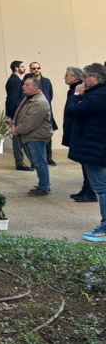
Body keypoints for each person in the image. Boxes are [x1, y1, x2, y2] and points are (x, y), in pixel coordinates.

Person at [64, 63, 106, 242]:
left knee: (101, 188)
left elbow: (72, 111)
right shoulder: (97, 94)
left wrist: (76, 94)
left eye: (86, 77)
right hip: (93, 147)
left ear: (95, 77)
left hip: (94, 149)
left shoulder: (98, 96)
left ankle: (104, 227)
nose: (83, 80)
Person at [12, 74, 53, 196]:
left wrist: (17, 130)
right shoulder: (28, 98)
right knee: (38, 162)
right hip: (30, 136)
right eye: (24, 84)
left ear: (36, 88)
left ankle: (44, 187)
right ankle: (43, 185)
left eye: (27, 85)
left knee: (40, 162)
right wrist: (14, 124)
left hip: (37, 137)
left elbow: (30, 123)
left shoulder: (39, 102)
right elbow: (18, 113)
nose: (23, 87)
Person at [64, 66, 96, 202]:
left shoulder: (81, 91)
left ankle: (89, 192)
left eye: (67, 75)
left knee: (88, 164)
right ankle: (86, 189)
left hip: (84, 133)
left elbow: (74, 110)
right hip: (77, 131)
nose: (65, 77)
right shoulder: (74, 89)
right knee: (84, 163)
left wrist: (77, 95)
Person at [5, 60, 33, 171]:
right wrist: (10, 115)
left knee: (20, 137)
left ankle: (27, 161)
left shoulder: (15, 80)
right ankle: (20, 162)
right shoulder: (15, 81)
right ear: (16, 68)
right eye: (22, 66)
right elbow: (13, 99)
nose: (24, 68)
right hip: (17, 113)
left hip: (17, 113)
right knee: (18, 138)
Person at [29, 62, 58, 165]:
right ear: (30, 70)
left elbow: (50, 95)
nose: (36, 70)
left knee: (48, 135)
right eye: (34, 68)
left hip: (47, 112)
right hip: (34, 112)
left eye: (38, 68)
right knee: (34, 136)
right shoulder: (28, 82)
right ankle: (35, 159)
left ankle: (48, 157)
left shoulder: (47, 81)